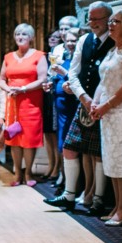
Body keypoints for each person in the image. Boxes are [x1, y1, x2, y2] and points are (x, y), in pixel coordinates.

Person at [44, 1, 115, 213]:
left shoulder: (115, 42)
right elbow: (73, 73)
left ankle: (99, 199)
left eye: (96, 19)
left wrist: (97, 101)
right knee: (69, 147)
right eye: (90, 19)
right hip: (84, 103)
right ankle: (69, 195)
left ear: (108, 19)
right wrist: (83, 97)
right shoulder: (84, 40)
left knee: (99, 153)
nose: (92, 23)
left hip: (105, 106)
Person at [90, 9, 122, 226]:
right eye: (110, 21)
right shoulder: (113, 50)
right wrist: (95, 103)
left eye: (116, 21)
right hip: (108, 112)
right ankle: (117, 206)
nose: (111, 24)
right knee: (111, 160)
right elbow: (104, 82)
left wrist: (106, 105)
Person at [0, 23, 47, 187]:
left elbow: (42, 79)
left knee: (29, 138)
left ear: (31, 38)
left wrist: (23, 89)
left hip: (31, 103)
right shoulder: (8, 57)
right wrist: (8, 89)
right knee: (14, 138)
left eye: (24, 34)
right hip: (13, 103)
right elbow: (1, 79)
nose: (20, 37)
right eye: (17, 33)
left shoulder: (39, 55)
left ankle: (28, 172)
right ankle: (17, 172)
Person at [47, 28, 80, 188]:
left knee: (70, 144)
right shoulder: (64, 57)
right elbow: (57, 78)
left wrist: (64, 73)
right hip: (60, 108)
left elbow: (77, 80)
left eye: (73, 40)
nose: (70, 43)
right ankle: (63, 176)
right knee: (61, 143)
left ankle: (72, 185)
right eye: (67, 41)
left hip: (73, 106)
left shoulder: (79, 59)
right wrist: (50, 84)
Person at [41, 29, 62, 181]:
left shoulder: (60, 55)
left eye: (56, 37)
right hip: (45, 96)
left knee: (55, 134)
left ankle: (57, 167)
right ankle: (50, 164)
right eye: (51, 37)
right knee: (47, 133)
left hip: (55, 95)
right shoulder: (45, 56)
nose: (52, 39)